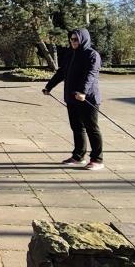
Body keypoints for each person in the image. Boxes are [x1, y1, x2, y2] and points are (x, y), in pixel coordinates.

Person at [42, 27, 104, 170]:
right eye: (71, 39)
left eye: (76, 39)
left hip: (88, 99)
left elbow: (91, 75)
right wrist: (49, 87)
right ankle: (78, 156)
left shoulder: (92, 55)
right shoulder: (71, 54)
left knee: (92, 128)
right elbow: (61, 73)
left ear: (83, 39)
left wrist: (83, 92)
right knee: (77, 128)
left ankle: (97, 159)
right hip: (72, 99)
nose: (73, 42)